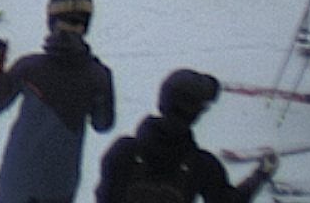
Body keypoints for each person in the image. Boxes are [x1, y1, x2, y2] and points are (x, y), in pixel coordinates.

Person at [0, 0, 116, 203]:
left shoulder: (29, 67)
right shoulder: (97, 75)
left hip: (17, 179)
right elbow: (103, 123)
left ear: (51, 23)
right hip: (60, 183)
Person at [94, 69, 277, 203]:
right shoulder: (201, 165)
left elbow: (105, 197)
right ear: (195, 114)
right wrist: (260, 175)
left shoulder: (122, 151)